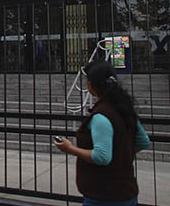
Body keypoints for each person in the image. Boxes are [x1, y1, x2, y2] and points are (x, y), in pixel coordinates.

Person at [54, 61, 151, 206]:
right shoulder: (124, 108)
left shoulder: (101, 116)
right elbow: (143, 142)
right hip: (127, 190)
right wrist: (120, 155)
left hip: (103, 194)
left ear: (90, 85)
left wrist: (70, 149)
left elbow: (102, 157)